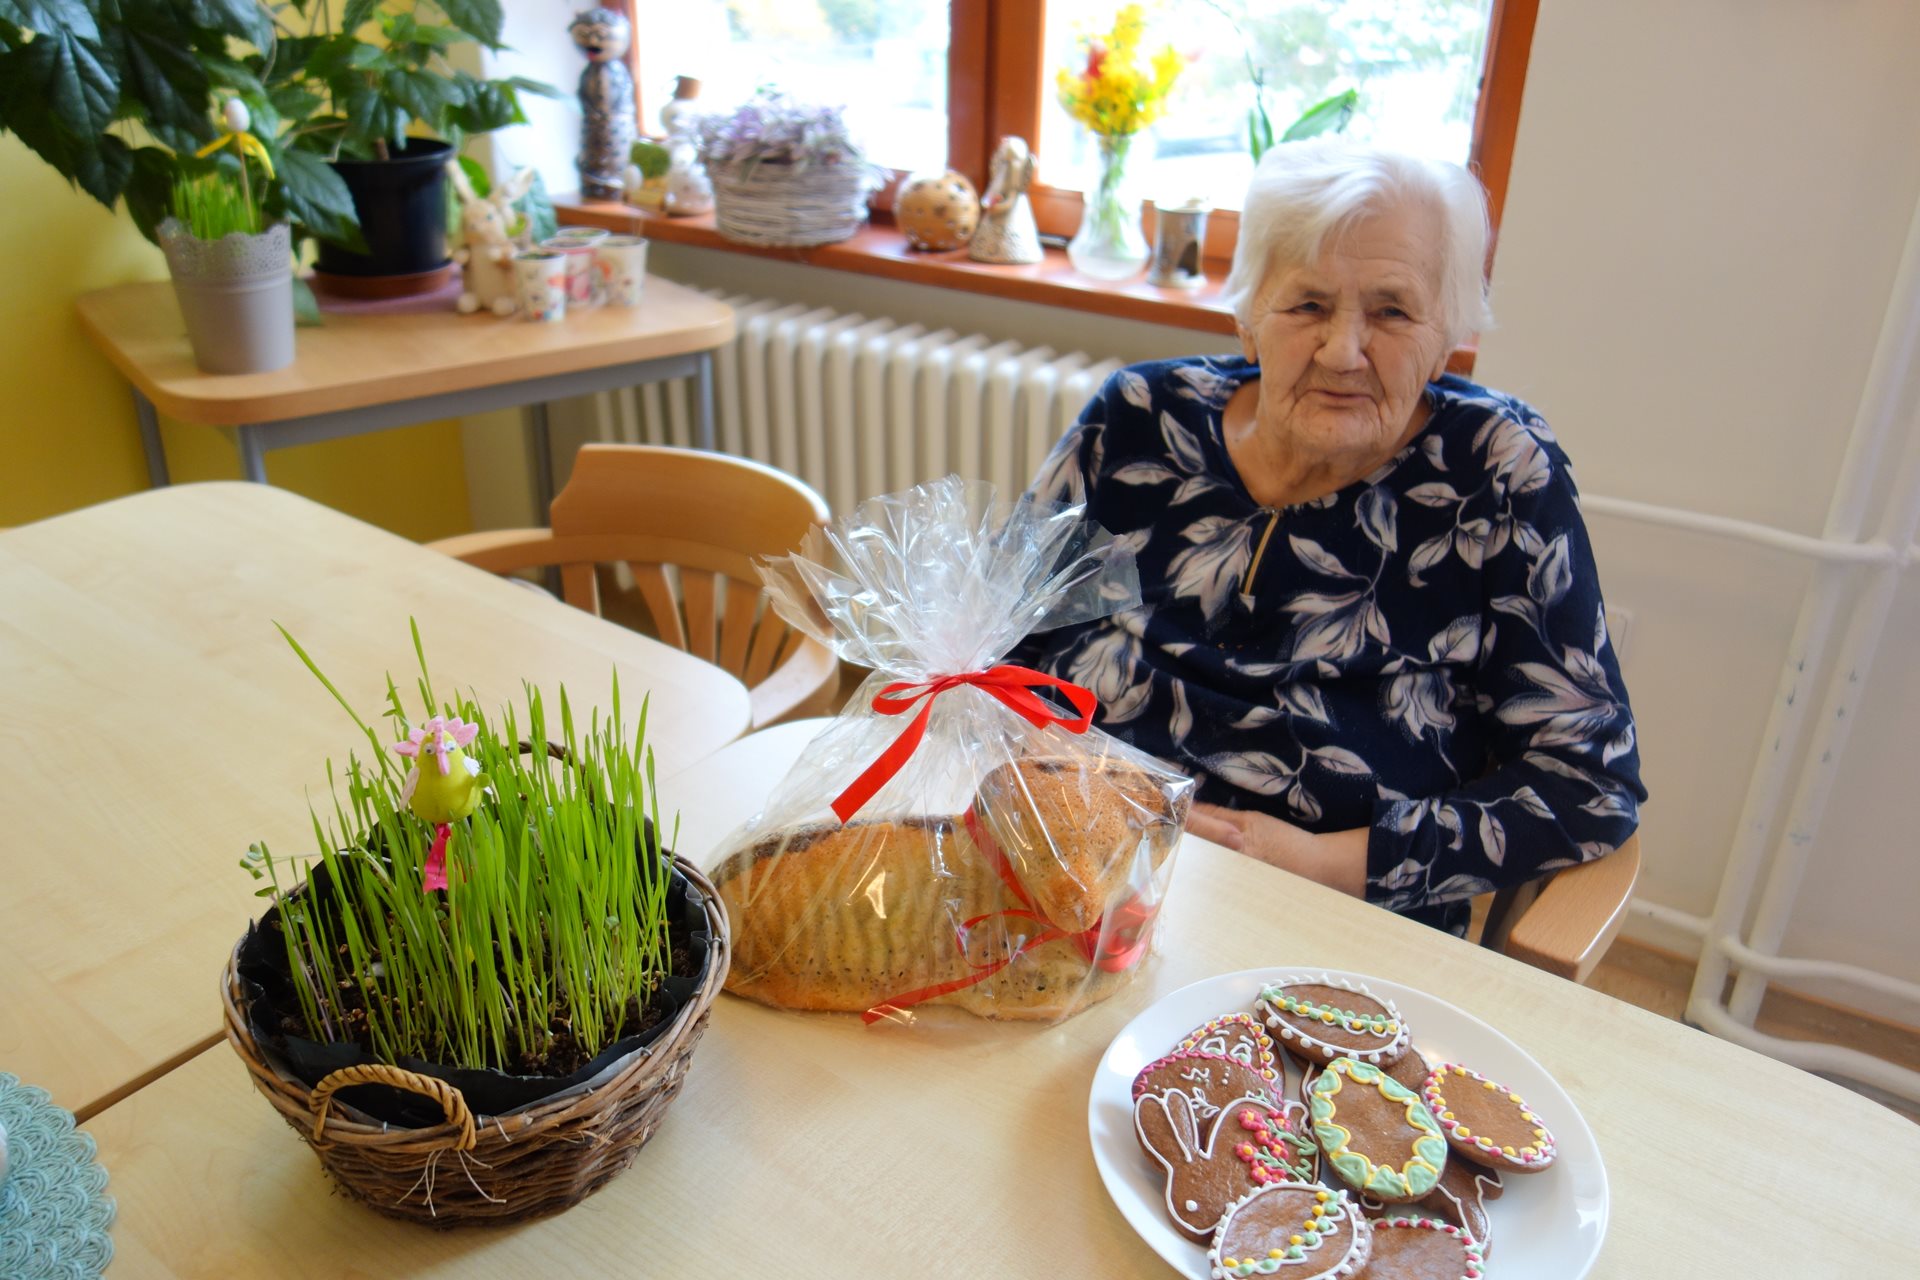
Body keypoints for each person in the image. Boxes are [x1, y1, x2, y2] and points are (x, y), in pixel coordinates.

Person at [1015, 139, 1644, 936]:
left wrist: (1321, 864)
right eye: (1308, 305)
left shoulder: (1495, 473)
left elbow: (1588, 783)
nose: (1344, 352)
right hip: (1069, 858)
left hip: (1324, 918)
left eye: (1392, 311)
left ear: (1446, 337)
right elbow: (1003, 644)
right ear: (1249, 319)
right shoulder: (1140, 416)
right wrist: (1064, 796)